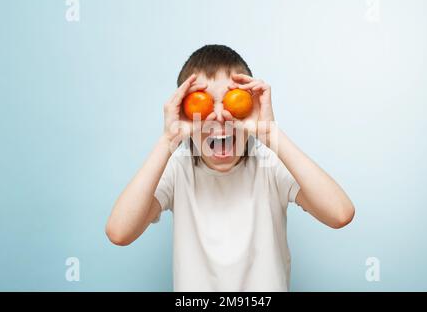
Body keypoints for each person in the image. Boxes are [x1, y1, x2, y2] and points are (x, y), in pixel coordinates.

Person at [106, 44, 355, 291]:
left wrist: (271, 134)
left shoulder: (270, 165)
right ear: (183, 109)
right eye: (201, 103)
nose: (219, 115)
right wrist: (168, 140)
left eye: (231, 101)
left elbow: (340, 214)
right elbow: (119, 232)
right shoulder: (178, 170)